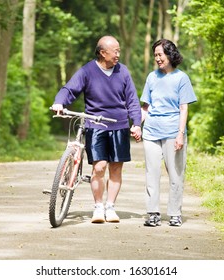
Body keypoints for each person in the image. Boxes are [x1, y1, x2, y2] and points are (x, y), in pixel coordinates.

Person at [51, 35, 142, 224]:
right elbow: (69, 89)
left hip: (119, 124)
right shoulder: (87, 71)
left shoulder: (123, 72)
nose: (118, 54)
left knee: (116, 168)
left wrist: (136, 123)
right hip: (96, 124)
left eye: (119, 50)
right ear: (103, 52)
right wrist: (59, 102)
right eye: (115, 50)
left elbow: (132, 99)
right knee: (99, 167)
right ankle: (98, 207)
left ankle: (110, 207)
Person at [140, 39, 197, 227]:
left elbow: (183, 108)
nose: (157, 58)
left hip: (173, 131)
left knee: (175, 174)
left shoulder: (182, 78)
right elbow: (145, 107)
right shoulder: (151, 77)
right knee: (152, 174)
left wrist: (180, 133)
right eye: (155, 55)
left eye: (160, 54)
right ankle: (153, 213)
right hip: (151, 131)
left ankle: (174, 213)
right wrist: (135, 125)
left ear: (170, 55)